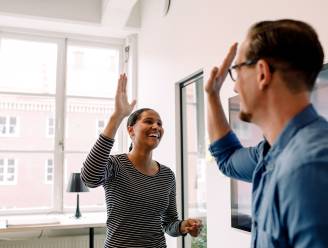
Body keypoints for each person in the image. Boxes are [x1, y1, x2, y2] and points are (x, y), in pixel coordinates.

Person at [205, 19, 328, 247]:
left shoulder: (308, 166)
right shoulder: (270, 152)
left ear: (262, 73)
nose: (235, 86)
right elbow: (227, 159)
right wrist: (212, 95)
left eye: (238, 70)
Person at [81, 74, 202, 248]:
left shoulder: (167, 175)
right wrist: (117, 116)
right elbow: (89, 178)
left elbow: (169, 224)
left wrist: (184, 226)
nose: (157, 127)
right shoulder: (115, 165)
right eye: (149, 121)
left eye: (160, 123)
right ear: (131, 131)